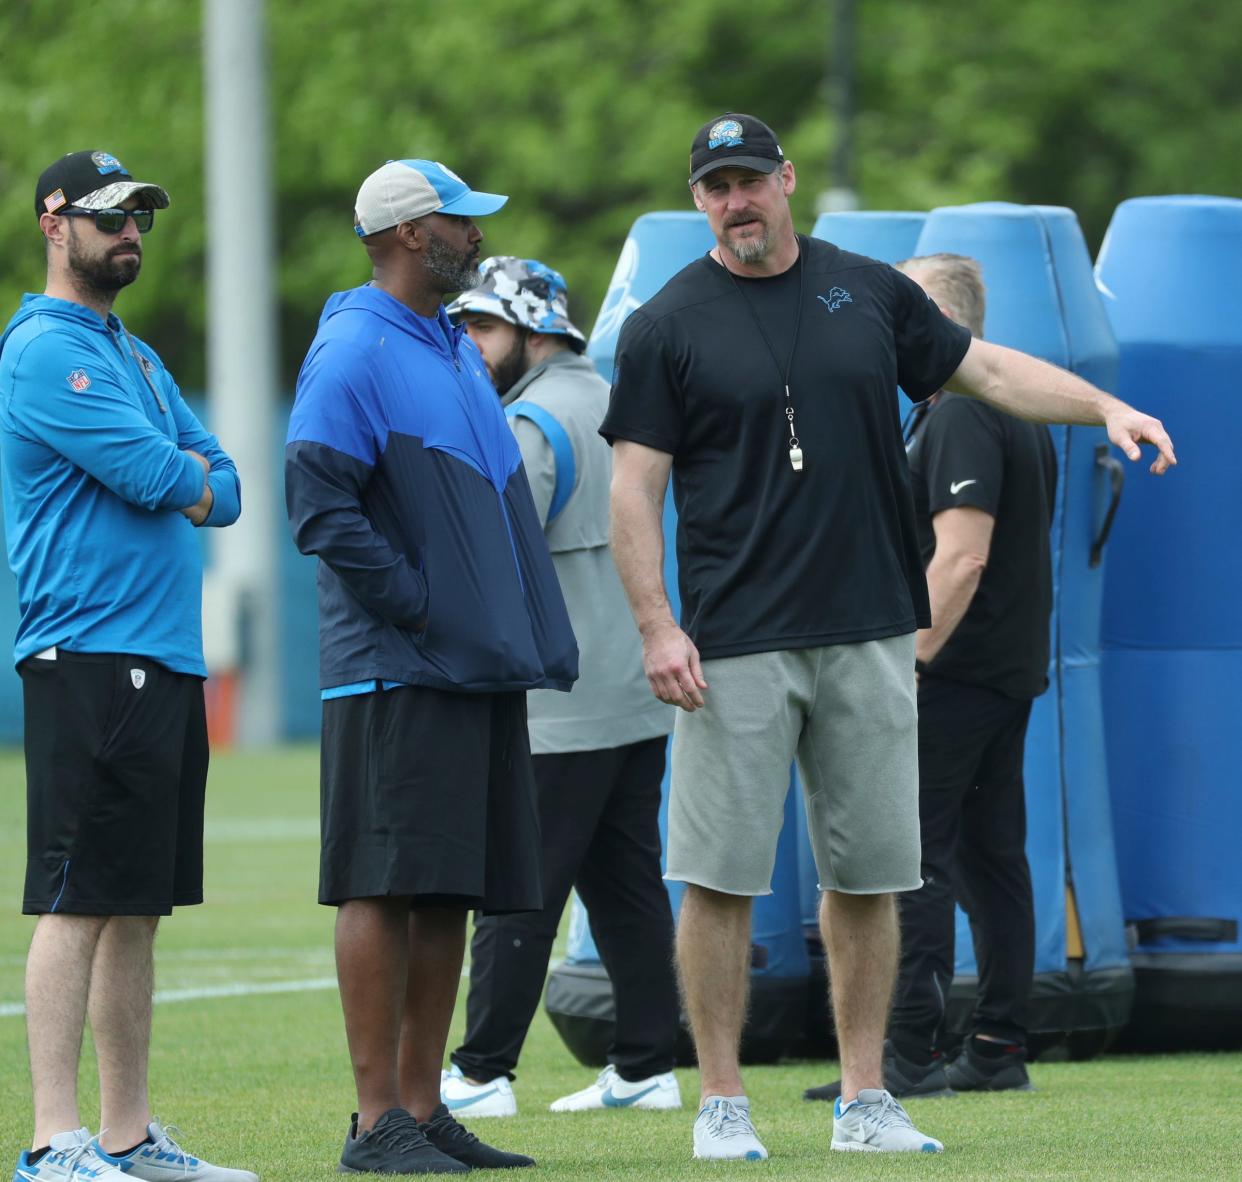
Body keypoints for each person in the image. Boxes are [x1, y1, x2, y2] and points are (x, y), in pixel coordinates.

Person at [601, 113, 1176, 1159]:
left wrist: (1104, 407)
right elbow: (633, 488)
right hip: (731, 641)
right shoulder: (666, 324)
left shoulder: (867, 290)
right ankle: (721, 1102)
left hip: (869, 632)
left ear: (786, 182)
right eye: (715, 187)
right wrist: (655, 626)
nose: (736, 202)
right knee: (722, 877)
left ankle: (865, 1098)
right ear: (700, 202)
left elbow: (991, 373)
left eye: (750, 181)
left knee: (870, 877)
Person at [285, 160, 578, 1174]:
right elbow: (319, 508)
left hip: (468, 665)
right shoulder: (356, 346)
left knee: (448, 885)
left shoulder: (450, 343)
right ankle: (376, 1123)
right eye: (461, 223)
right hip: (393, 667)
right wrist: (419, 603)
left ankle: (423, 1107)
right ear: (412, 234)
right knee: (385, 881)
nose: (475, 238)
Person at [1, 151, 251, 1182]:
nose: (131, 233)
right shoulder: (40, 349)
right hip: (87, 654)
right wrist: (183, 476)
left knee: (138, 903)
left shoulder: (135, 356)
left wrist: (186, 477)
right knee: (76, 899)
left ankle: (128, 1136)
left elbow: (225, 487)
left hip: (160, 654)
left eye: (141, 215)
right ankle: (51, 1140)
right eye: (110, 217)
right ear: (56, 224)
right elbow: (159, 472)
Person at [804, 253, 1054, 1104]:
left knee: (912, 858)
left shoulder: (959, 415)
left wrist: (908, 661)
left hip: (952, 672)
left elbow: (963, 555)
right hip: (1006, 669)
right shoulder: (1016, 411)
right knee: (992, 857)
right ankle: (996, 1045)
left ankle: (906, 1051)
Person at [440, 257, 680, 1118]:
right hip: (634, 691)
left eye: (483, 327)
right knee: (626, 887)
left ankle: (480, 1074)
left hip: (559, 707)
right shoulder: (614, 400)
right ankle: (648, 1062)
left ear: (533, 332)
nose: (468, 342)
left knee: (517, 887)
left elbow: (491, 555)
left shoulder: (530, 423)